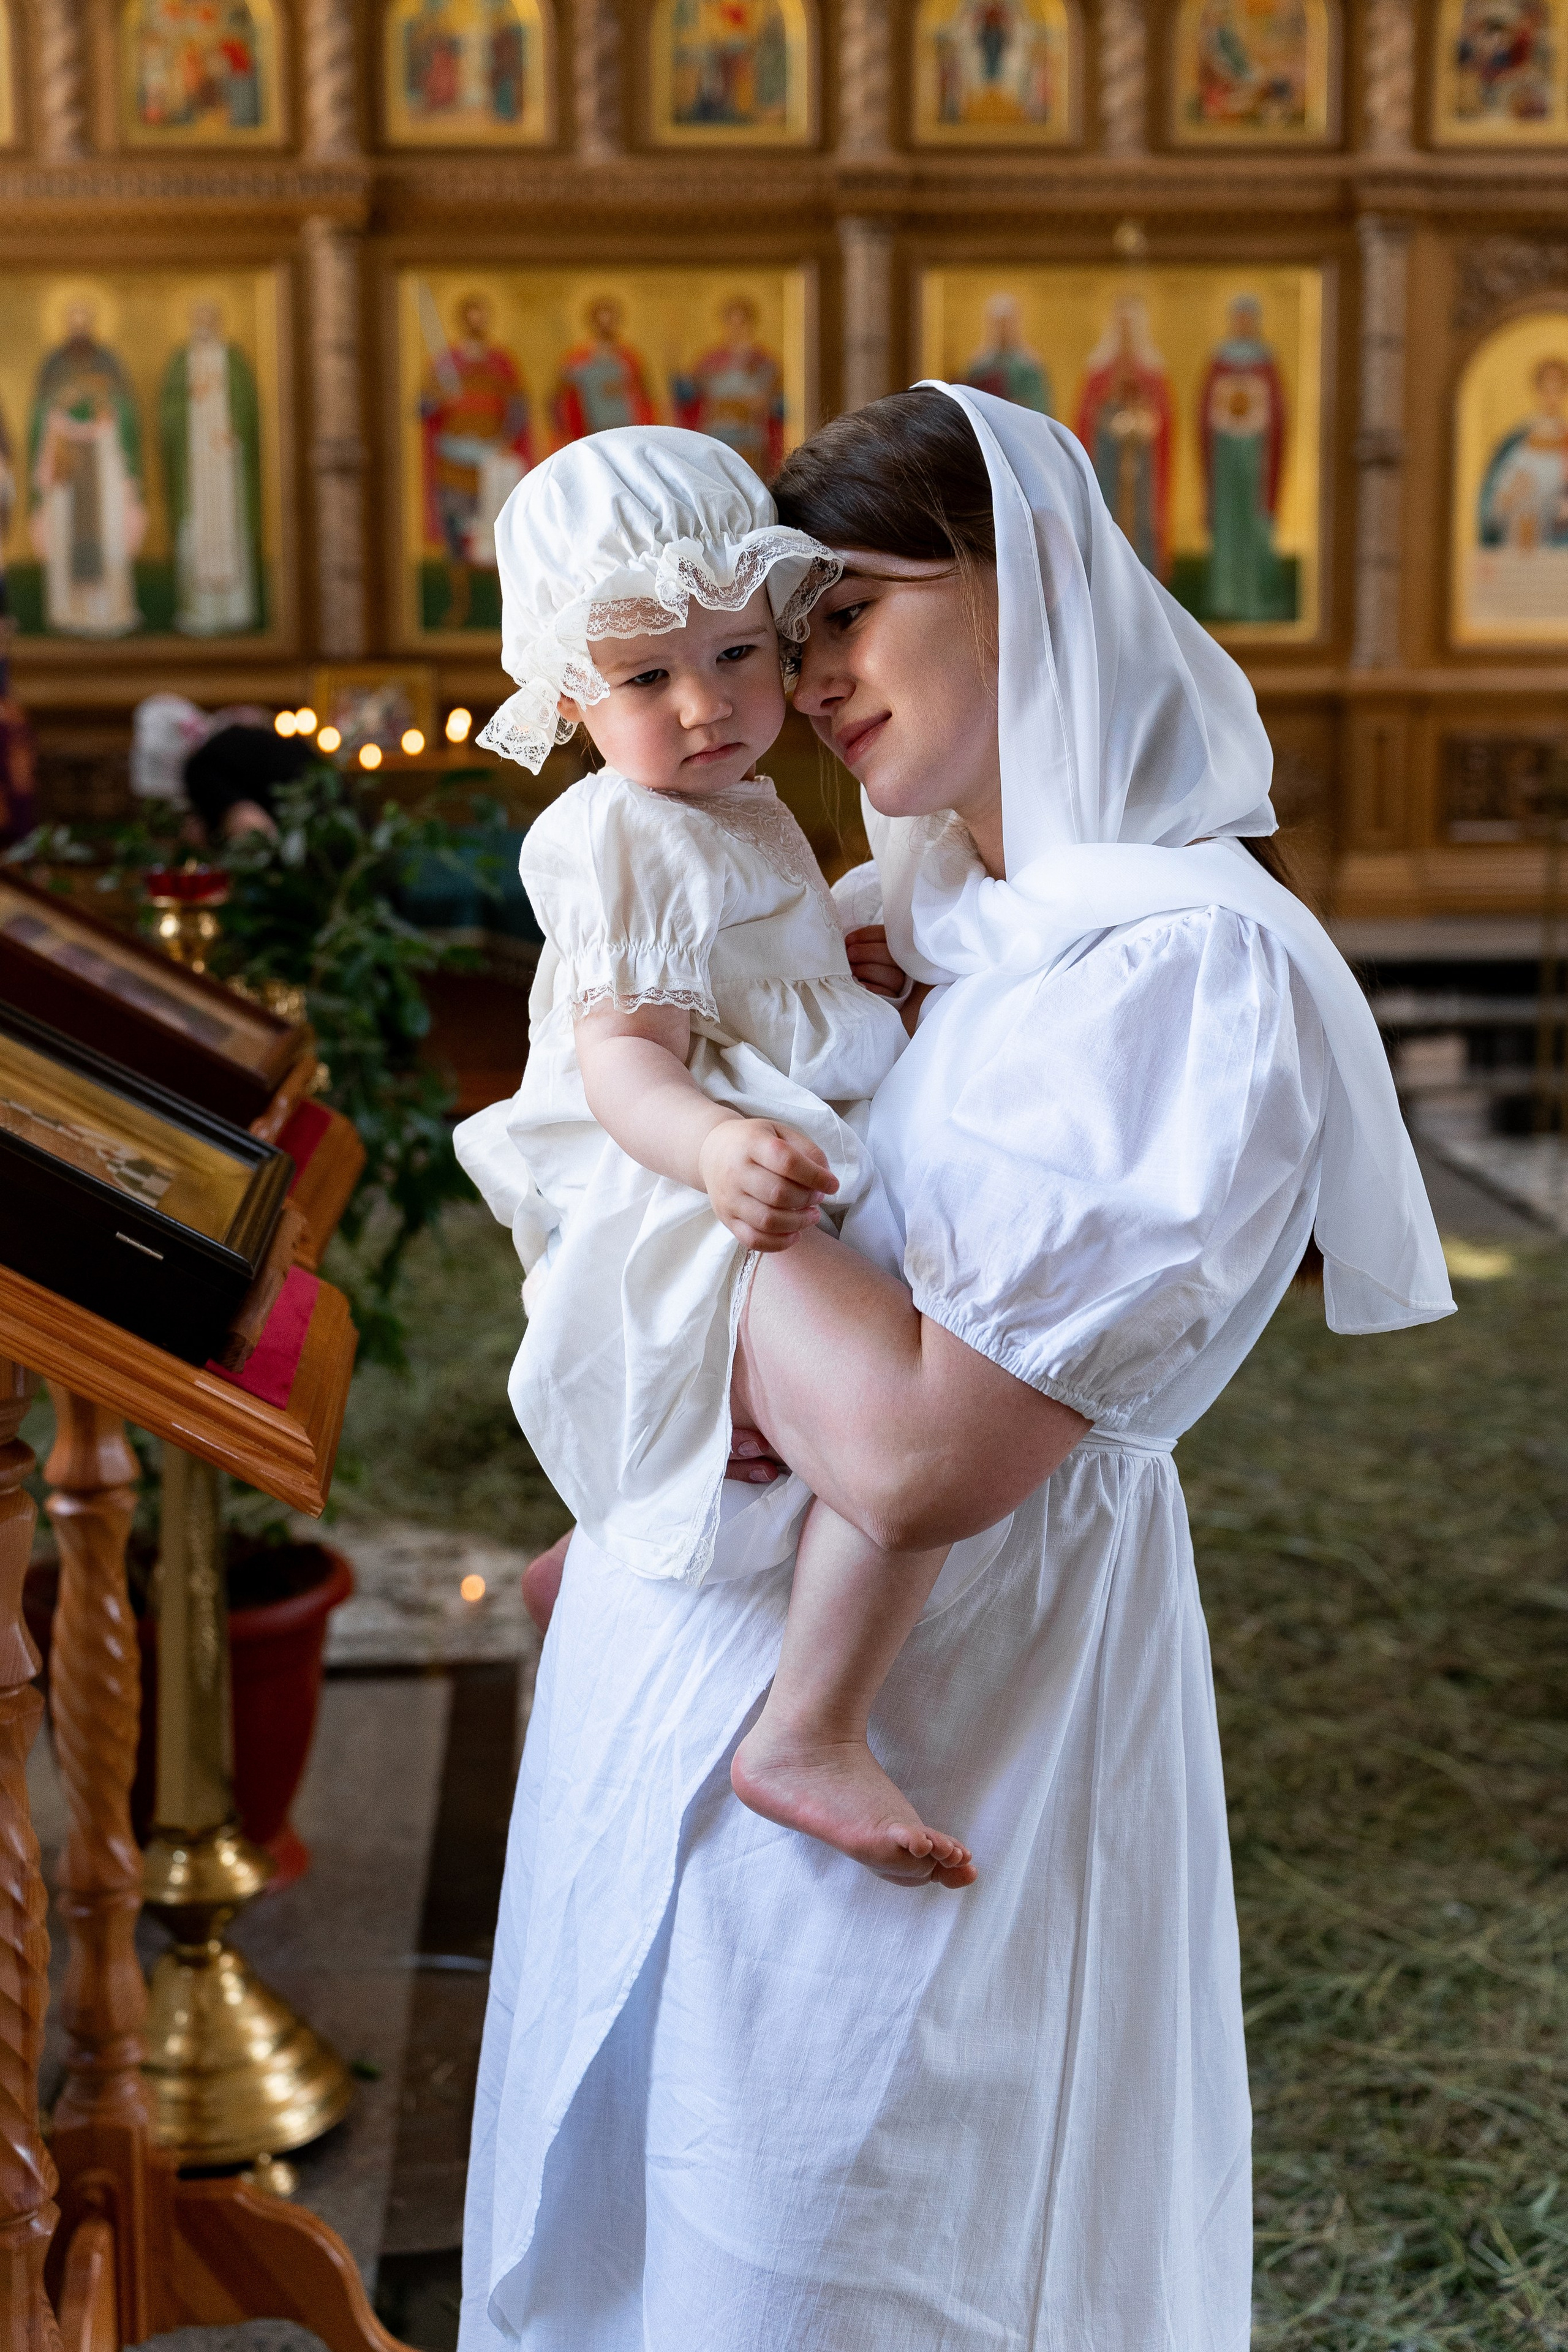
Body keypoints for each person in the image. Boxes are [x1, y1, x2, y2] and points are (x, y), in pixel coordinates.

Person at [459, 384, 1453, 2351]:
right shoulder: (945, 905)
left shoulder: (1174, 967)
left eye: (842, 618)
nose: (804, 684)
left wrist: (654, 1234)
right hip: (693, 1666)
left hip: (952, 1696)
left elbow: (917, 1458)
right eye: (787, 629)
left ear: (1026, 586)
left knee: (835, 2222)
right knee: (649, 2206)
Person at [457, 426, 974, 1877]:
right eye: (644, 679)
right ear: (569, 695)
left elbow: (742, 972)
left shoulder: (735, 808)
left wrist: (834, 970)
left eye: (738, 654)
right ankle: (807, 1728)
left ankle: (585, 1549)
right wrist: (713, 1148)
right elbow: (622, 1056)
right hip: (675, 1165)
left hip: (743, 1125)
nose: (704, 706)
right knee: (901, 1394)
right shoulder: (626, 833)